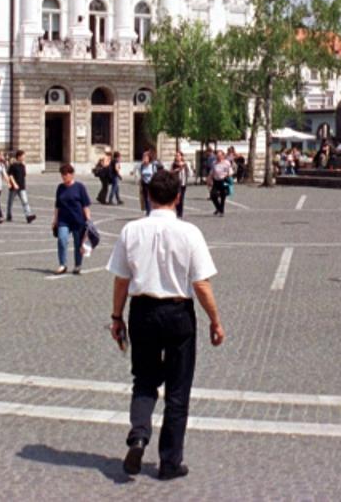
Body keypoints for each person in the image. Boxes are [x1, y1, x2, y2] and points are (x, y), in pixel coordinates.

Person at [107, 169, 225, 481]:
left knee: (144, 379)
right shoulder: (190, 233)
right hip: (177, 313)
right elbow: (201, 284)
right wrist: (215, 320)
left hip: (142, 310)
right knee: (177, 389)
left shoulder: (131, 231)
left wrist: (116, 317)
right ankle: (170, 462)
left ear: (147, 195)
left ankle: (139, 436)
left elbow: (121, 280)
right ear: (178, 197)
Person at [52, 164, 91, 275]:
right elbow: (57, 205)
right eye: (62, 175)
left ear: (72, 174)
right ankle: (62, 264)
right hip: (63, 220)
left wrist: (88, 220)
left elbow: (85, 205)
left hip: (78, 220)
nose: (64, 177)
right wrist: (55, 220)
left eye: (66, 175)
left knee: (78, 244)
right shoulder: (60, 188)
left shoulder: (80, 187)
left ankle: (77, 265)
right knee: (62, 239)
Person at [6, 150, 36, 223]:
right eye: (23, 156)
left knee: (25, 202)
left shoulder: (22, 165)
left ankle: (28, 216)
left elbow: (24, 175)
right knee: (10, 202)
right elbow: (10, 175)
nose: (24, 157)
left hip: (22, 187)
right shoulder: (13, 165)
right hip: (14, 187)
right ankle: (8, 215)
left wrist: (24, 166)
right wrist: (14, 184)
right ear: (19, 157)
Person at [208, 149, 233, 216]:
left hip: (223, 180)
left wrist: (227, 175)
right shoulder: (214, 163)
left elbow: (230, 171)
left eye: (219, 155)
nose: (218, 157)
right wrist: (209, 180)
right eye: (217, 155)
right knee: (213, 195)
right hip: (216, 180)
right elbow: (212, 172)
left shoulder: (226, 163)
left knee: (223, 196)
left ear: (223, 156)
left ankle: (221, 211)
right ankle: (218, 208)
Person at [138, 150, 161, 216]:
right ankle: (148, 212)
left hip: (151, 184)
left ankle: (152, 212)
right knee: (146, 199)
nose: (144, 159)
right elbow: (140, 173)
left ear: (149, 158)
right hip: (144, 184)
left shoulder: (153, 166)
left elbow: (156, 174)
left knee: (151, 199)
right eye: (143, 157)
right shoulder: (142, 166)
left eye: (145, 157)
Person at [171, 151, 191, 219]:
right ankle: (177, 211)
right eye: (176, 156)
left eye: (178, 156)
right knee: (177, 198)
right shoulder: (174, 164)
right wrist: (176, 170)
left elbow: (189, 173)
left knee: (181, 198)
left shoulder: (185, 164)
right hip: (176, 183)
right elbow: (171, 172)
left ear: (181, 157)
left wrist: (187, 170)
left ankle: (180, 213)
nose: (177, 157)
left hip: (183, 183)